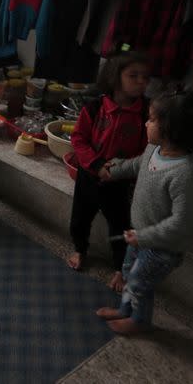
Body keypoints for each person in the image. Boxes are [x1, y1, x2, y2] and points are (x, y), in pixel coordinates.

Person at [96, 91, 193, 334]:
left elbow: (182, 223)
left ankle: (138, 322)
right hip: (141, 235)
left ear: (171, 129)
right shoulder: (153, 150)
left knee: (140, 283)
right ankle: (125, 310)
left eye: (151, 120)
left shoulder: (185, 174)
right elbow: (135, 164)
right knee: (130, 274)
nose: (146, 123)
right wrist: (114, 170)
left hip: (162, 247)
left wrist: (145, 237)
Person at [68, 51, 151, 292]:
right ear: (115, 77)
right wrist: (95, 165)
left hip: (119, 181)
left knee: (120, 226)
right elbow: (79, 138)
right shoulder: (94, 108)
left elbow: (147, 150)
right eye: (133, 75)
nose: (141, 82)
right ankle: (79, 248)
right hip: (89, 176)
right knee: (80, 218)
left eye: (145, 77)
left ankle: (119, 268)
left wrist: (122, 171)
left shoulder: (146, 115)